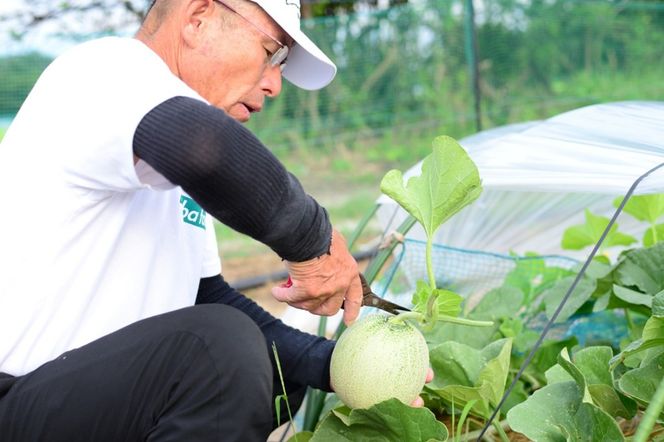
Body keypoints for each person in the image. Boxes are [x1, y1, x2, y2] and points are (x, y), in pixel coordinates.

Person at [0, 0, 430, 440]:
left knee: (276, 371)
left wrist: (337, 365)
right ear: (198, 17)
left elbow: (205, 297)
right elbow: (205, 149)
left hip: (90, 400)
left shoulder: (163, 157)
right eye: (271, 52)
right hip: (17, 403)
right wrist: (313, 241)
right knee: (219, 350)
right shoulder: (103, 72)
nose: (275, 84)